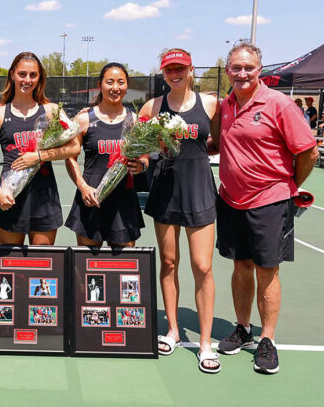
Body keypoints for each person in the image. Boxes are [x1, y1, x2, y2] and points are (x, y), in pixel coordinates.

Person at [215, 42, 318, 374]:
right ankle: (244, 329)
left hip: (271, 202)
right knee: (241, 266)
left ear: (260, 70)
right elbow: (213, 143)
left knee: (267, 270)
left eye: (248, 68)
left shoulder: (279, 105)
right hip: (231, 200)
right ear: (228, 70)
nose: (242, 73)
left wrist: (289, 187)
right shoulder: (225, 105)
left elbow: (308, 152)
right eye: (236, 67)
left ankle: (267, 340)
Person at [140, 48, 221, 373]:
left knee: (202, 266)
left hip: (199, 186)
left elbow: (218, 142)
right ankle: (172, 330)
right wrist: (151, 151)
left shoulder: (211, 104)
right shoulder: (153, 106)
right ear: (163, 73)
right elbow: (141, 146)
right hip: (166, 189)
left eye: (181, 68)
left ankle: (204, 343)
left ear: (190, 69)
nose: (175, 73)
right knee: (169, 262)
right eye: (169, 69)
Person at [0, 52, 80, 245]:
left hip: (45, 197)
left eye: (33, 75)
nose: (27, 80)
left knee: (42, 267)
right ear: (12, 74)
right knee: (10, 266)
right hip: (10, 195)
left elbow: (75, 147)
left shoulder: (52, 110)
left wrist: (39, 156)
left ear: (40, 78)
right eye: (22, 74)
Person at [64, 62, 146, 247]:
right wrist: (83, 187)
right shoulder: (84, 119)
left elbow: (144, 156)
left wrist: (142, 165)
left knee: (125, 269)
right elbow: (70, 158)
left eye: (120, 82)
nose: (115, 88)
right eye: (110, 82)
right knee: (86, 269)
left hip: (124, 204)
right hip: (91, 200)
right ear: (100, 84)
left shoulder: (135, 121)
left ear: (127, 85)